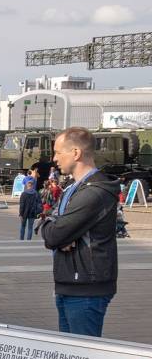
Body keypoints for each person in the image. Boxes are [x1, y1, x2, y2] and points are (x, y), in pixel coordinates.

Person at [39, 127, 119, 337]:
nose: (54, 158)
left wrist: (58, 231)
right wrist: (57, 229)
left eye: (58, 152)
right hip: (70, 284)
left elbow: (53, 234)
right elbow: (48, 224)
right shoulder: (72, 189)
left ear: (76, 153)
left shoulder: (94, 193)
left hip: (85, 288)